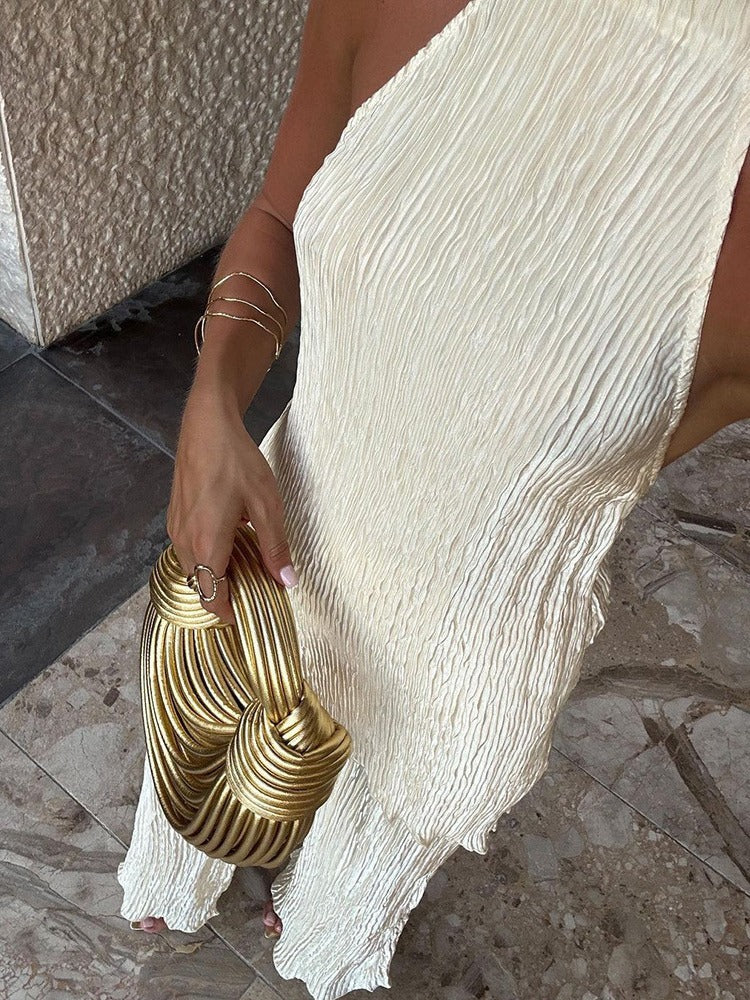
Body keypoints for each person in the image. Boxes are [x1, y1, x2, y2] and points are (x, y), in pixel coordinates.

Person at [117, 1, 750, 996]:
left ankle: (322, 922)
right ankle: (183, 865)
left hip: (459, 655)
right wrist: (212, 401)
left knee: (362, 853)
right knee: (208, 727)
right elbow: (281, 216)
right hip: (280, 522)